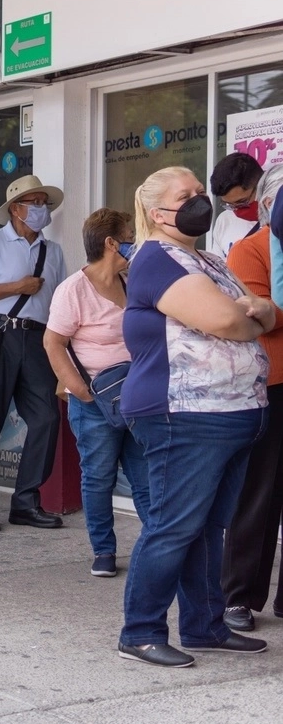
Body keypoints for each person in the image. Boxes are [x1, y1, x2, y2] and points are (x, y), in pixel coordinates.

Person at [117, 166, 271, 668]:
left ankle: (205, 627)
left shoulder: (204, 258)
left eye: (201, 193)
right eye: (186, 196)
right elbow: (231, 318)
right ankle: (139, 632)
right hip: (182, 415)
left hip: (231, 412)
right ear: (157, 213)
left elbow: (268, 309)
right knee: (173, 527)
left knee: (208, 527)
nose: (200, 201)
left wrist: (257, 314)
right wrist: (250, 317)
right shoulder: (157, 258)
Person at [44, 208, 150, 578]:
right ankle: (104, 550)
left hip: (137, 398)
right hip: (95, 403)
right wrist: (79, 390)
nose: (133, 243)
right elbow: (53, 343)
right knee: (98, 476)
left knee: (145, 477)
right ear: (110, 243)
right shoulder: (73, 290)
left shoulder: (131, 279)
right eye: (129, 237)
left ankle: (156, 547)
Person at [0, 174, 67, 532]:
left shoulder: (54, 251)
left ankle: (25, 502)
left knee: (46, 419)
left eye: (44, 203)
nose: (42, 209)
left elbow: (59, 300)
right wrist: (17, 287)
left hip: (37, 340)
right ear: (16, 209)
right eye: (34, 203)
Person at [221, 166, 283, 632]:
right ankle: (239, 596)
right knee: (258, 494)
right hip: (273, 387)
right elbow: (260, 317)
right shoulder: (250, 250)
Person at [209, 152, 263, 258]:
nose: (236, 210)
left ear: (261, 184)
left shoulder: (277, 219)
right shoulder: (224, 220)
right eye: (229, 204)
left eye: (242, 202)